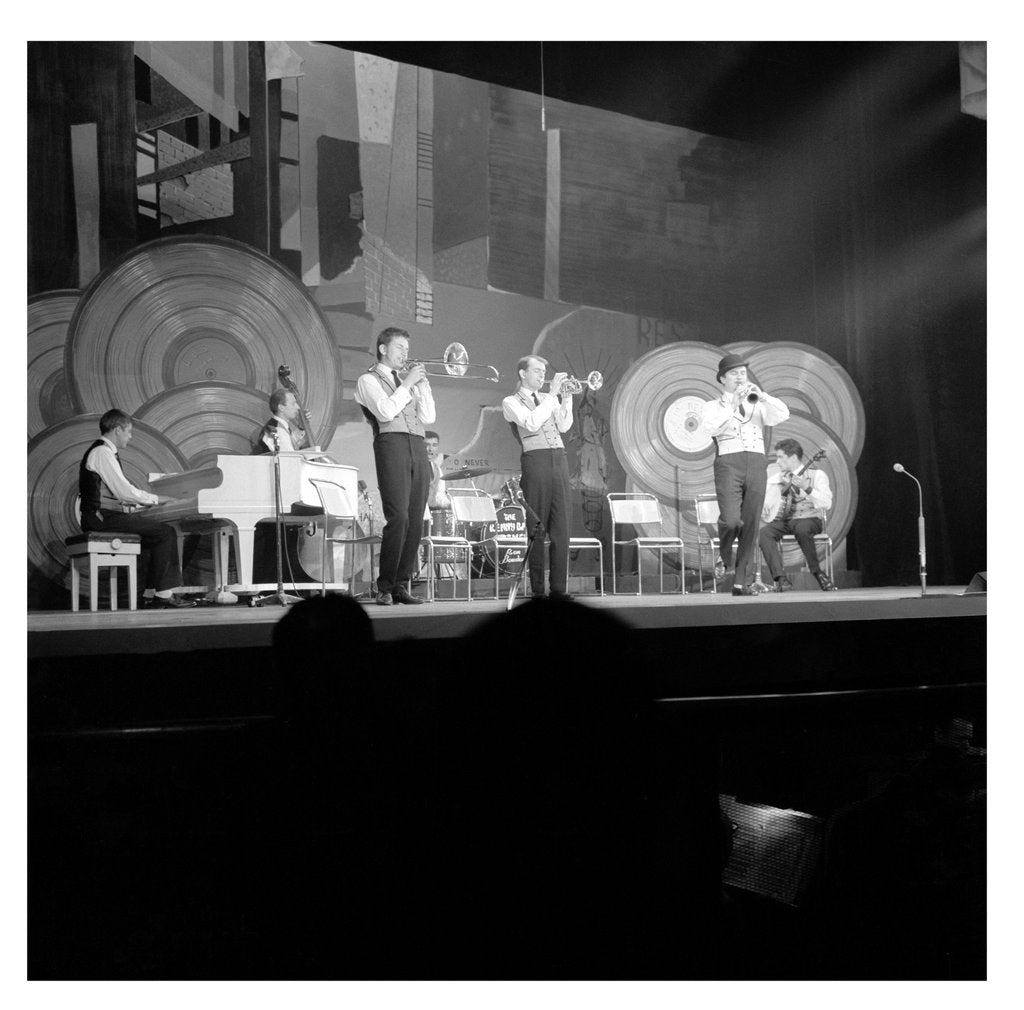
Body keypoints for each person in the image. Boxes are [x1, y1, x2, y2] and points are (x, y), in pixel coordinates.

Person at [78, 409, 195, 608]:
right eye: (129, 432)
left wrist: (141, 505)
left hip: (104, 515)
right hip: (100, 518)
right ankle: (164, 596)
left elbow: (116, 494)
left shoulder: (103, 452)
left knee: (152, 537)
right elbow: (124, 492)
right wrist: (158, 499)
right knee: (165, 532)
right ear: (117, 429)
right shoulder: (102, 453)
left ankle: (149, 594)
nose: (130, 437)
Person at [355, 327, 435, 605]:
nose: (405, 354)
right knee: (398, 517)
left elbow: (428, 416)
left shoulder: (406, 382)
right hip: (392, 446)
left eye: (407, 349)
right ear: (383, 349)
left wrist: (421, 386)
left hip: (417, 445)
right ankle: (385, 587)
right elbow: (386, 411)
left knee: (415, 521)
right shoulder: (368, 379)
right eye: (400, 348)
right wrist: (407, 384)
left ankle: (402, 585)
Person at [700, 353, 790, 596]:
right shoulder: (712, 406)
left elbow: (783, 414)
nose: (740, 377)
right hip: (729, 463)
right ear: (722, 379)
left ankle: (741, 583)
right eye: (734, 373)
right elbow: (710, 428)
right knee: (731, 520)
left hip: (756, 461)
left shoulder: (758, 403)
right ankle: (725, 558)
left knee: (750, 525)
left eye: (743, 372)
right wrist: (731, 404)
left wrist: (763, 396)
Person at [502, 355, 574, 600]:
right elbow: (530, 422)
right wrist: (553, 395)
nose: (543, 376)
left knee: (561, 528)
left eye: (544, 371)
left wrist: (567, 398)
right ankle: (538, 590)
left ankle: (559, 589)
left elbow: (564, 426)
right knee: (537, 528)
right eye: (537, 371)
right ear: (523, 373)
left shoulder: (547, 398)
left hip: (559, 460)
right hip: (536, 462)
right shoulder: (511, 401)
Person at [758, 438, 835, 591]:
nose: (778, 461)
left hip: (810, 518)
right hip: (787, 520)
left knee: (802, 529)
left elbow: (827, 503)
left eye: (781, 457)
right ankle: (781, 579)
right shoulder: (777, 478)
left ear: (793, 457)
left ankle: (817, 572)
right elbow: (767, 505)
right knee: (765, 533)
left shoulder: (817, 475)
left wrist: (807, 488)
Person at [252, 388, 312, 454]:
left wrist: (301, 426)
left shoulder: (277, 426)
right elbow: (290, 459)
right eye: (293, 403)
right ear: (281, 407)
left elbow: (291, 441)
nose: (298, 407)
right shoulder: (278, 430)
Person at [424, 430, 451, 509]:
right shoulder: (410, 466)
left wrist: (450, 505)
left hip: (431, 511)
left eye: (434, 445)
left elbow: (439, 495)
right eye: (426, 445)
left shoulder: (437, 469)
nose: (430, 449)